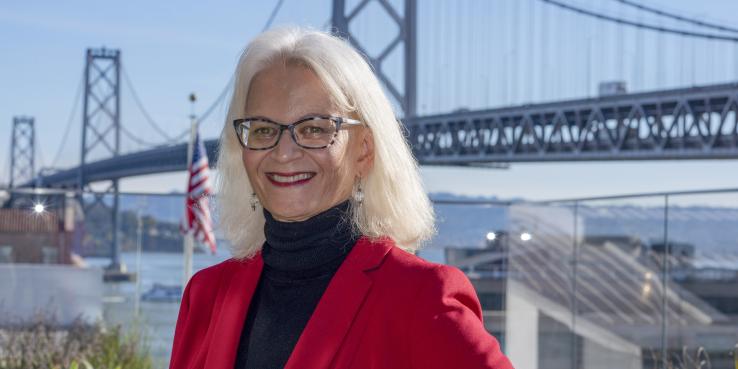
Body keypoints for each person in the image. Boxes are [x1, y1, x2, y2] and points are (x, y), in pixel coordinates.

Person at [169, 27, 514, 369]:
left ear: (364, 151)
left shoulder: (421, 298)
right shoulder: (205, 296)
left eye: (314, 128)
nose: (284, 152)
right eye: (263, 130)